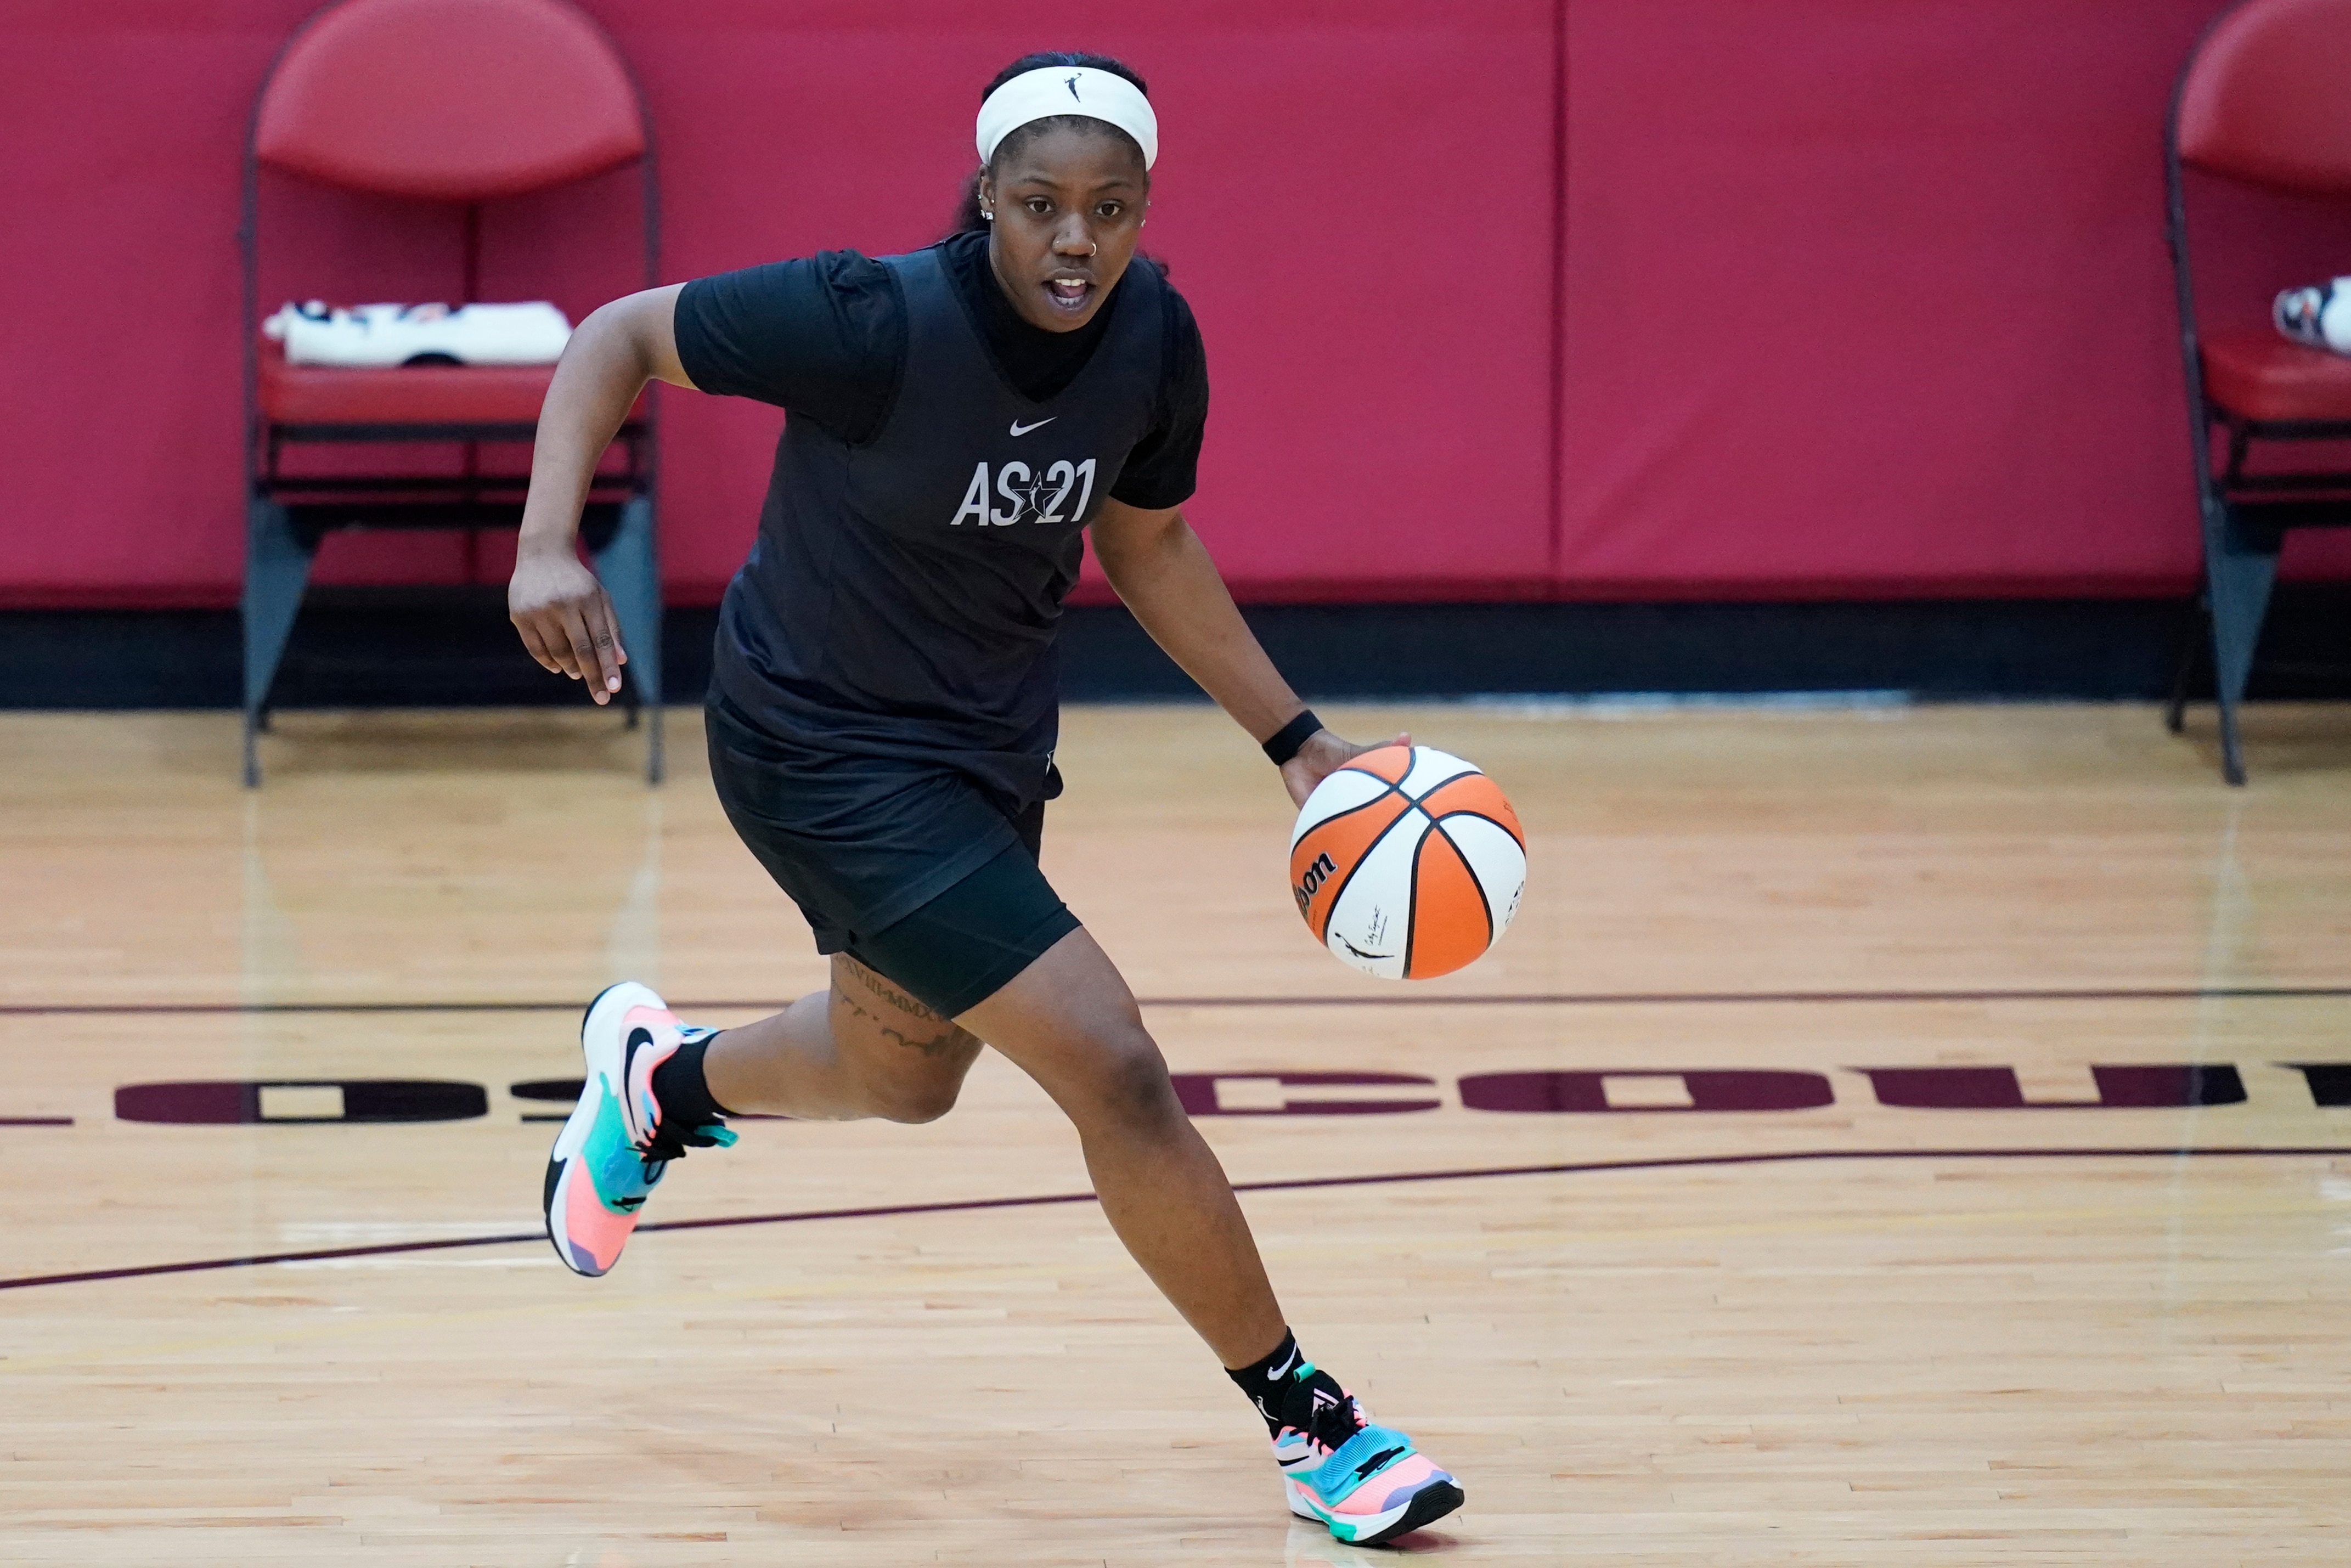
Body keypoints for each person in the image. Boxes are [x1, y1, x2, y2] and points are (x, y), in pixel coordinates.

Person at [507, 51, 1462, 1548]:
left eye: (1110, 209)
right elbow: (617, 336)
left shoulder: (1153, 339)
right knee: (1114, 1062)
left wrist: (1296, 739)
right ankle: (1313, 1424)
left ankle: (657, 1088)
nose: (1075, 242)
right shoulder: (869, 319)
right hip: (815, 743)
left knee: (904, 1073)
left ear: (1146, 210)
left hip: (985, 750)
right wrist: (547, 540)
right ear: (988, 201)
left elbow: (1146, 544)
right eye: (1040, 207)